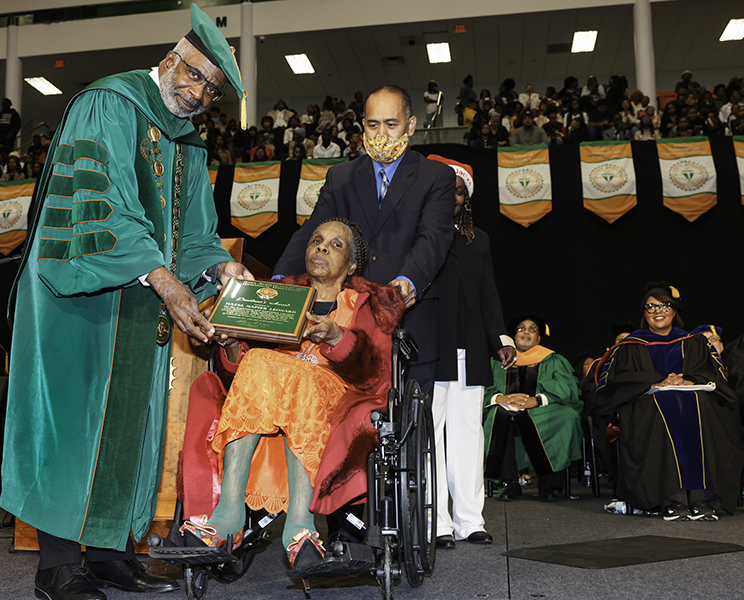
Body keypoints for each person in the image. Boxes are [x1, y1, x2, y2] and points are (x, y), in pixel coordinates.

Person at [0, 6, 255, 600]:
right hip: (81, 296)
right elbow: (102, 206)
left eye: (211, 90)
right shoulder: (108, 103)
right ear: (171, 57)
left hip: (139, 305)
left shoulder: (187, 143)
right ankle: (57, 567)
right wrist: (165, 280)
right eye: (194, 75)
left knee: (129, 428)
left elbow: (194, 233)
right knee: (72, 425)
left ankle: (112, 555)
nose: (197, 92)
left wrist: (219, 265)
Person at [272, 85, 454, 542]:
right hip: (348, 321)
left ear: (411, 126)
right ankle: (344, 514)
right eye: (372, 125)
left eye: (391, 124)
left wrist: (404, 286)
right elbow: (313, 233)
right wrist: (276, 285)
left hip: (410, 319)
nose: (381, 133)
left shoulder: (435, 178)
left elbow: (433, 240)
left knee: (402, 427)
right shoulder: (340, 177)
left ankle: (396, 519)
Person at [179, 218, 405, 570]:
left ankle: (299, 520)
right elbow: (239, 372)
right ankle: (229, 512)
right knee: (257, 361)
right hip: (270, 401)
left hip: (339, 401)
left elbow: (376, 376)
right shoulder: (279, 297)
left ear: (352, 265)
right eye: (316, 240)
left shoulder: (367, 306)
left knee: (299, 374)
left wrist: (336, 338)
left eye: (335, 245)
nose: (322, 247)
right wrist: (233, 340)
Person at [595, 283, 744, 521]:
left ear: (674, 310)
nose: (657, 311)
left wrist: (686, 380)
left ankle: (701, 497)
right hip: (646, 403)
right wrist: (655, 381)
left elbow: (715, 377)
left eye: (664, 305)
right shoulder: (630, 346)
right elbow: (615, 382)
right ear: (644, 313)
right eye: (650, 307)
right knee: (667, 405)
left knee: (700, 405)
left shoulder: (694, 342)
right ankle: (670, 498)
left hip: (693, 400)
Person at [426, 155, 516, 550]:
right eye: (445, 191)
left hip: (470, 348)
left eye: (458, 191)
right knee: (430, 434)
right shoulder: (421, 237)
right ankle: (436, 522)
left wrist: (502, 339)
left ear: (466, 197)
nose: (452, 198)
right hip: (431, 348)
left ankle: (469, 519)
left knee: (468, 434)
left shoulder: (480, 240)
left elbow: (489, 294)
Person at [483, 316, 582, 502]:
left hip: (542, 410)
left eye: (532, 329)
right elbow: (484, 389)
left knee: (567, 416)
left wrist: (537, 400)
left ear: (539, 338)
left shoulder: (553, 359)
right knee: (496, 416)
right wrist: (500, 398)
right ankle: (510, 484)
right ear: (513, 337)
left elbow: (567, 389)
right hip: (506, 409)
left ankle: (548, 484)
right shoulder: (498, 361)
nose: (526, 331)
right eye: (521, 328)